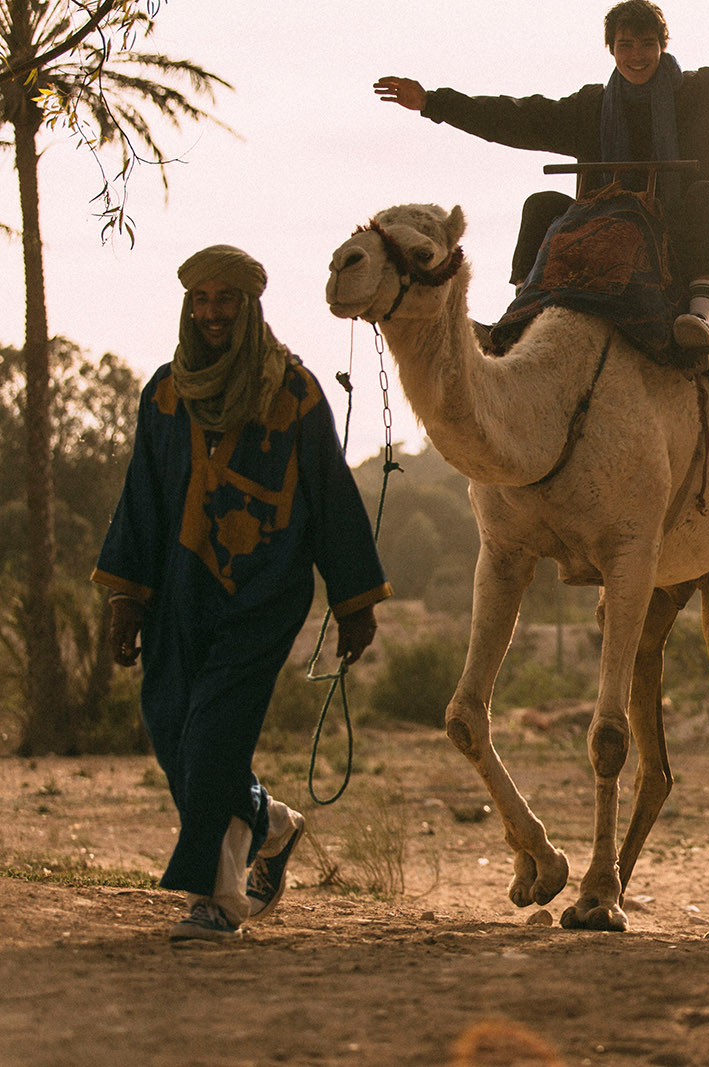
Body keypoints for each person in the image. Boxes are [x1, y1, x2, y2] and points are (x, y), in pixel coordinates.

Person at [92, 246, 392, 942]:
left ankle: (217, 898)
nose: (212, 312)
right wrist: (126, 599)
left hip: (264, 591)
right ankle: (270, 821)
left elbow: (330, 495)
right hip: (178, 590)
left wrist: (355, 602)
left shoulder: (293, 391)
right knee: (172, 724)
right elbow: (142, 498)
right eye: (201, 299)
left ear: (249, 305)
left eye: (225, 299)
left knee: (213, 736)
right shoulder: (166, 392)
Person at [374, 1, 709, 351]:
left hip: (680, 232)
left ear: (662, 46)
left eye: (647, 44)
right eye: (626, 45)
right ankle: (521, 311)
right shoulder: (590, 107)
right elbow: (516, 117)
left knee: (707, 195)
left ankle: (698, 313)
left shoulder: (704, 94)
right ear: (611, 49)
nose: (637, 55)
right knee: (542, 203)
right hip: (602, 229)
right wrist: (434, 103)